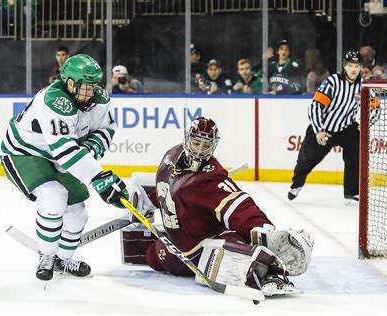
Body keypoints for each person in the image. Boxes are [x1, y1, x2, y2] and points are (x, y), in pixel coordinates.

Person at [127, 117, 314, 297]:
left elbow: (240, 206)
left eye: (206, 145)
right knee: (152, 256)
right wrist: (148, 202)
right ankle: (258, 263)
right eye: (196, 142)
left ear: (214, 146)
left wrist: (263, 230)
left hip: (200, 246)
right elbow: (166, 189)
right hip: (178, 250)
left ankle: (269, 273)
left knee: (232, 245)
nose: (200, 150)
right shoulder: (171, 156)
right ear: (187, 139)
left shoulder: (210, 176)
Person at [0, 54, 129, 281]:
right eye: (84, 86)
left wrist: (90, 149)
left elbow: (107, 129)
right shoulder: (54, 100)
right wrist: (100, 178)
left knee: (78, 214)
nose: (90, 92)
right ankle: (47, 256)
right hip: (24, 153)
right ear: (69, 82)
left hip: (59, 156)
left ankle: (63, 260)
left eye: (93, 86)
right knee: (52, 196)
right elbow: (66, 151)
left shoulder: (100, 99)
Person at [288, 51, 364, 204]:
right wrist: (318, 130)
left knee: (356, 157)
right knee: (305, 160)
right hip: (324, 127)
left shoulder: (364, 85)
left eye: (357, 66)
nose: (353, 69)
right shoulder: (333, 82)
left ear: (361, 67)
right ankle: (296, 184)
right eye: (350, 65)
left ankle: (351, 192)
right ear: (344, 66)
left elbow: (374, 106)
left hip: (346, 127)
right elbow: (315, 106)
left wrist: (365, 123)